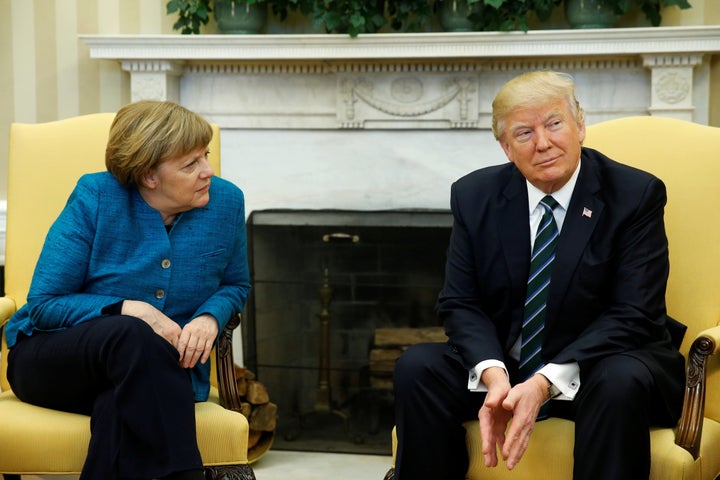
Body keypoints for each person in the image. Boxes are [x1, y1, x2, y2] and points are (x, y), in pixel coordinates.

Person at [392, 71, 685, 480]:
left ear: (580, 125)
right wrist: (493, 374)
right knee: (417, 366)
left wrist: (546, 380)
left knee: (619, 380)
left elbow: (635, 313)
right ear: (506, 147)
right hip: (510, 369)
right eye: (524, 132)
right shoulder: (475, 196)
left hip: (600, 365)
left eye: (554, 124)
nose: (543, 143)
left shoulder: (634, 195)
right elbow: (460, 302)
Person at [4, 100, 251, 480]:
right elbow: (44, 305)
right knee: (131, 332)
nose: (208, 171)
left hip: (153, 373)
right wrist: (135, 310)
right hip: (53, 361)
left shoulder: (227, 202)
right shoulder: (96, 196)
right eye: (191, 164)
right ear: (148, 175)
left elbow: (235, 284)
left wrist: (209, 316)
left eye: (206, 156)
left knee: (120, 406)